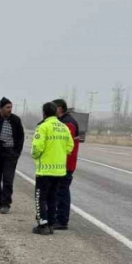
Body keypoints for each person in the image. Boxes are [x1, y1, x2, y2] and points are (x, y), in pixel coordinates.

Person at [31, 102, 75, 235]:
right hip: (59, 170)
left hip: (44, 169)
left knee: (41, 197)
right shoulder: (64, 127)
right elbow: (70, 146)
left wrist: (35, 156)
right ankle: (50, 224)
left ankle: (42, 224)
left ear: (44, 113)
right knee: (53, 197)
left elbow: (37, 147)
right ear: (56, 112)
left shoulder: (43, 127)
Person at [0, 97, 24, 213]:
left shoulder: (15, 120)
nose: (10, 110)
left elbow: (20, 137)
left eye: (11, 107)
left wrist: (17, 152)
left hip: (10, 154)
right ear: (1, 108)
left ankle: (6, 204)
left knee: (8, 179)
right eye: (7, 107)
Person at [52, 98, 81, 230]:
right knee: (59, 191)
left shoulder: (68, 123)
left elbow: (64, 145)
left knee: (62, 191)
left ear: (59, 108)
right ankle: (59, 218)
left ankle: (62, 220)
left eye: (53, 108)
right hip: (62, 163)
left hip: (66, 163)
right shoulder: (63, 121)